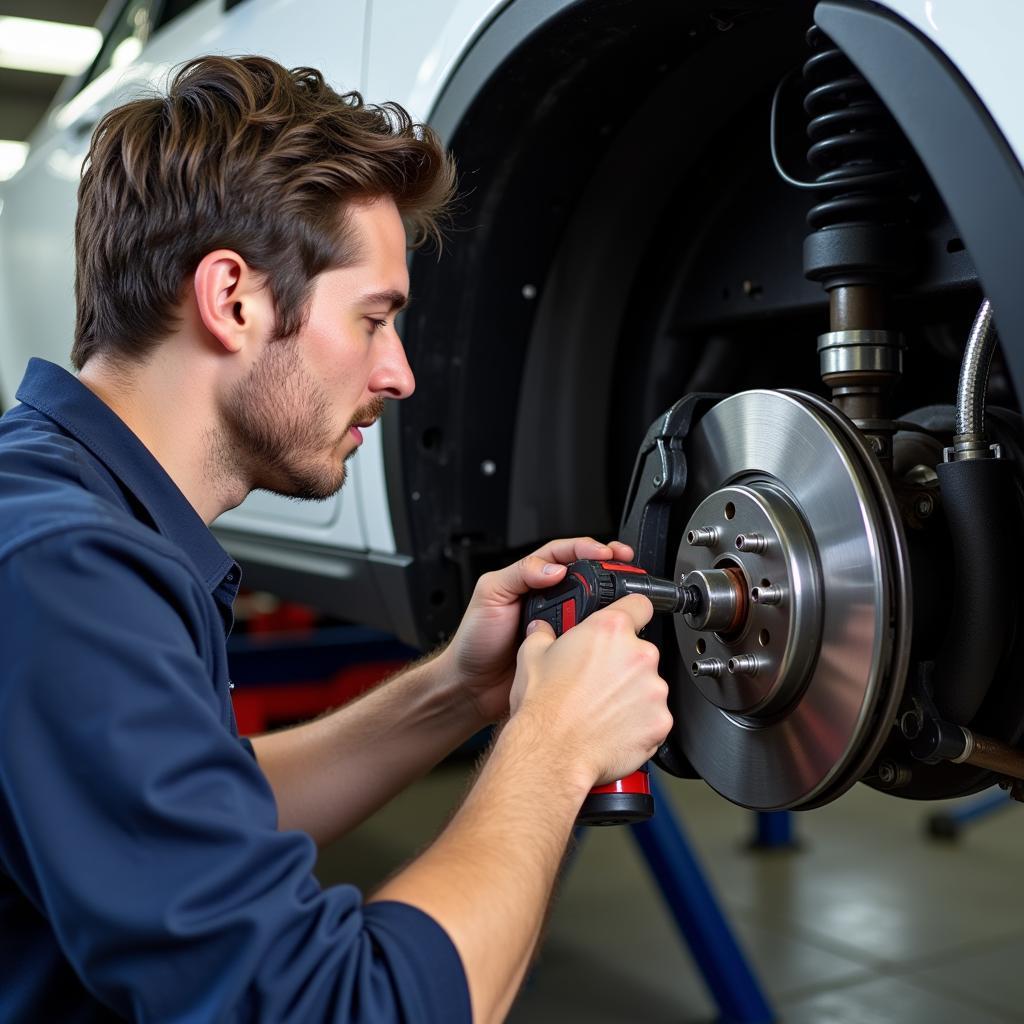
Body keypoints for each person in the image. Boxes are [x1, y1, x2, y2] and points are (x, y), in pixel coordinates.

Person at [0, 56, 671, 1023]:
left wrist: (458, 692)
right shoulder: (64, 569)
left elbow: (199, 815)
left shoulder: (66, 510)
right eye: (374, 318)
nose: (399, 373)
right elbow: (337, 1008)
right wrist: (553, 747)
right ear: (233, 299)